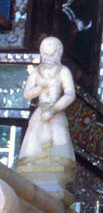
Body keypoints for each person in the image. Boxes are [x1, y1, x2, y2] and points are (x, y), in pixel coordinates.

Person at [16, 36, 77, 191]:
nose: (49, 46)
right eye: (46, 44)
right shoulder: (37, 71)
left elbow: (70, 94)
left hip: (55, 111)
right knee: (34, 150)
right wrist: (39, 88)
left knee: (56, 149)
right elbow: (27, 93)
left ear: (58, 48)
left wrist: (54, 109)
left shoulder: (63, 71)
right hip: (40, 111)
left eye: (52, 44)